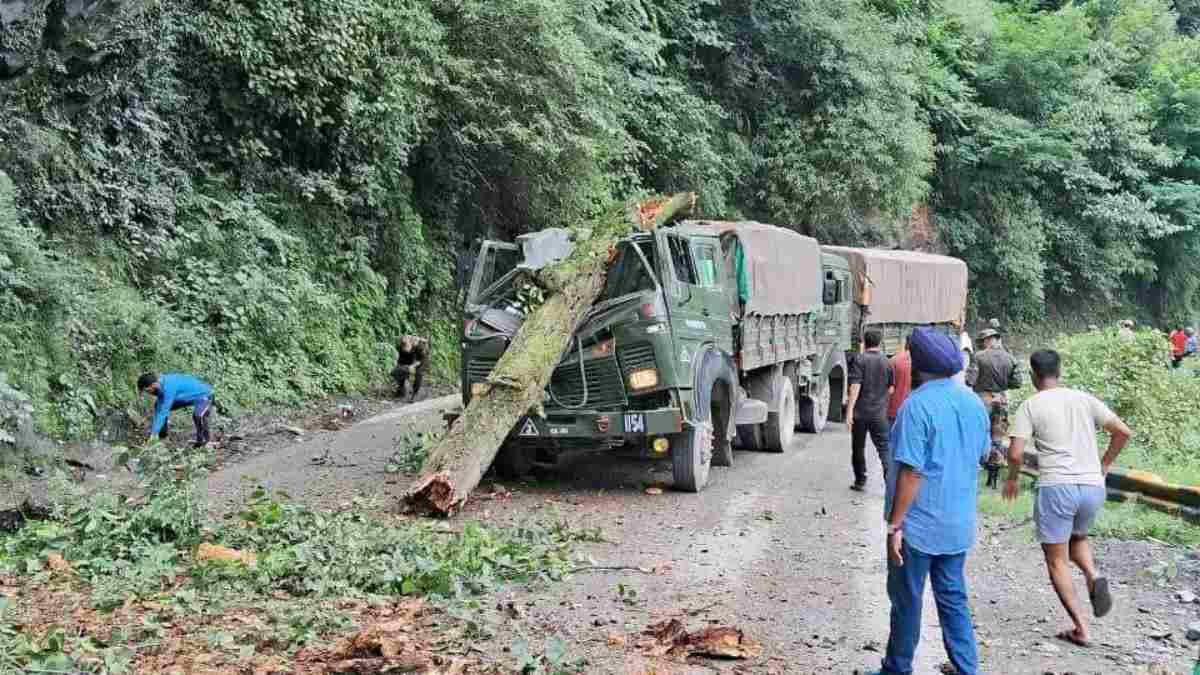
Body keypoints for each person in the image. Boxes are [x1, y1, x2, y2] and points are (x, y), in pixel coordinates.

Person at [870, 327, 990, 675]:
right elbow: (981, 456)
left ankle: (897, 669)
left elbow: (911, 473)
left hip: (918, 528)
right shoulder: (973, 404)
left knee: (907, 601)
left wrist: (895, 525)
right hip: (958, 524)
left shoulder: (916, 407)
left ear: (918, 364)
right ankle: (968, 669)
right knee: (953, 600)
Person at [1004, 349, 1133, 648]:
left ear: (1034, 375)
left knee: (1057, 561)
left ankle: (1081, 628)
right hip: (1092, 487)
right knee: (1077, 539)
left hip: (1057, 487)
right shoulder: (1083, 398)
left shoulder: (1031, 405)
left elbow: (1014, 453)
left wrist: (1011, 478)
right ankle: (1092, 572)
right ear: (1059, 371)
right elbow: (1122, 431)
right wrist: (1105, 464)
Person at [847, 329, 894, 491]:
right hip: (879, 414)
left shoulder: (859, 360)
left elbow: (855, 386)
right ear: (880, 343)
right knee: (884, 448)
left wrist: (849, 411)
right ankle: (890, 482)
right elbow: (891, 389)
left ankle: (860, 480)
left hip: (860, 414)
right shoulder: (887, 362)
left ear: (865, 342)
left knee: (858, 447)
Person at [137, 372, 216, 448]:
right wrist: (154, 432)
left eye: (147, 390)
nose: (148, 393)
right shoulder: (159, 385)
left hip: (204, 395)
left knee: (198, 416)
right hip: (185, 397)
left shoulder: (168, 387)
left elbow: (163, 411)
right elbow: (160, 409)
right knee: (158, 406)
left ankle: (204, 442)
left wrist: (153, 433)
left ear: (153, 385)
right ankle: (162, 435)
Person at [392, 335, 429, 403]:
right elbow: (399, 360)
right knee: (397, 371)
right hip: (406, 360)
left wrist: (412, 367)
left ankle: (415, 393)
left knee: (418, 374)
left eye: (407, 347)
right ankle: (401, 388)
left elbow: (420, 360)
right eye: (404, 348)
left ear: (411, 344)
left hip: (418, 362)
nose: (405, 349)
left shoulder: (419, 347)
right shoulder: (400, 347)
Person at [886, 336, 912, 429]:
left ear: (906, 344)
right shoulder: (923, 363)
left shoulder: (893, 360)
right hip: (913, 411)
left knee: (890, 440)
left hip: (894, 408)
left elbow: (888, 388)